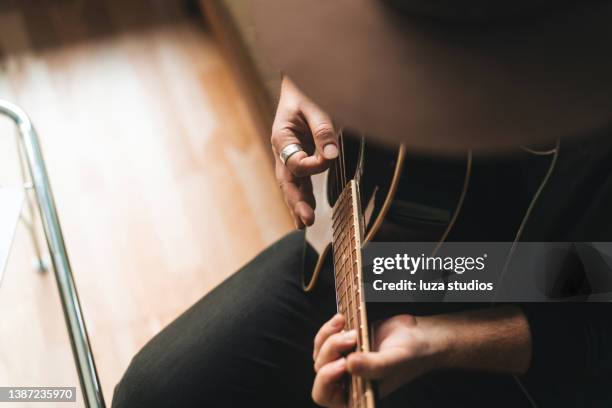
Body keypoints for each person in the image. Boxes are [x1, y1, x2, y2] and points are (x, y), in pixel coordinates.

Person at [113, 2, 612, 407]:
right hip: (386, 246)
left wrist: (439, 341)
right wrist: (310, 76)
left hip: (535, 329)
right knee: (151, 393)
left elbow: (593, 291)